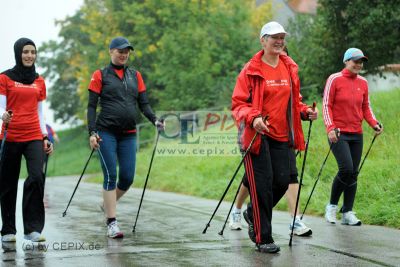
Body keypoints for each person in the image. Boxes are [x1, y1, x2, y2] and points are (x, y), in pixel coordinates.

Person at [231, 21, 317, 253]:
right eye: (274, 37)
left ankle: (252, 214)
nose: (279, 41)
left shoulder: (289, 67)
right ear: (263, 40)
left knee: (281, 181)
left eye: (282, 37)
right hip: (256, 136)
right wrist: (254, 117)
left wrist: (305, 111)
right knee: (262, 187)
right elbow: (238, 104)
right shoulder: (251, 69)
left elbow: (293, 101)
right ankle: (263, 237)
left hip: (282, 135)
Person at [87, 36, 164, 238]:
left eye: (127, 51)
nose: (124, 54)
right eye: (120, 51)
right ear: (111, 51)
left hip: (128, 135)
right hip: (105, 133)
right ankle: (112, 222)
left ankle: (107, 204)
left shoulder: (135, 75)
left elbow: (144, 104)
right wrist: (92, 132)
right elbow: (91, 107)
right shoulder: (100, 75)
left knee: (127, 177)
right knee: (111, 174)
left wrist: (154, 120)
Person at [0, 37, 53, 243]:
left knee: (36, 177)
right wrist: (3, 115)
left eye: (32, 52)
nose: (29, 55)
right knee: (7, 183)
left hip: (33, 136)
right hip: (10, 135)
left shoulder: (39, 81)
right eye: (25, 52)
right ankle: (8, 230)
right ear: (18, 53)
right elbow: (1, 106)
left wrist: (45, 136)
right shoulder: (4, 78)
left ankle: (32, 230)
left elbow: (40, 113)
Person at [323, 48, 383, 226]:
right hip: (338, 133)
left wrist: (374, 123)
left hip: (357, 133)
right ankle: (332, 206)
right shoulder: (334, 79)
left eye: (361, 62)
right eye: (355, 61)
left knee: (353, 173)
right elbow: (326, 105)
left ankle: (347, 212)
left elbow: (366, 107)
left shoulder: (363, 82)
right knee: (346, 169)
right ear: (346, 61)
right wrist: (330, 127)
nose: (358, 64)